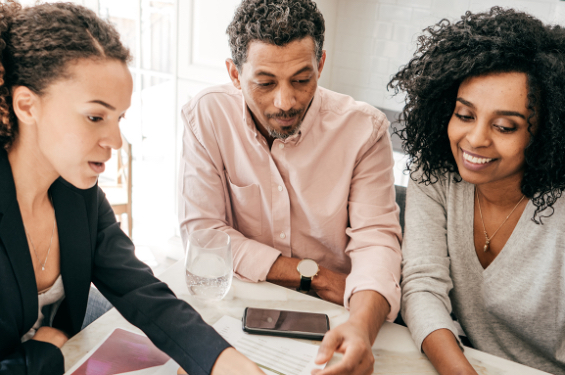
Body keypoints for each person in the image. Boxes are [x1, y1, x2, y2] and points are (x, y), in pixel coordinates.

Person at [0, 2, 266, 374]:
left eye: (119, 117)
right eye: (95, 117)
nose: (115, 139)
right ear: (27, 106)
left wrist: (224, 361)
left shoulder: (79, 197)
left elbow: (140, 289)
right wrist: (41, 358)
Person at [178, 1, 402, 374]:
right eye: (264, 83)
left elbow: (377, 241)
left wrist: (361, 327)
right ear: (234, 74)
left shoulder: (365, 131)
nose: (286, 102)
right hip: (243, 308)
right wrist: (312, 275)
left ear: (321, 65)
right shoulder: (206, 115)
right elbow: (202, 234)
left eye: (302, 79)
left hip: (340, 311)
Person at [388, 6, 565, 375]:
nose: (475, 139)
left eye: (504, 126)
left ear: (545, 134)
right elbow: (421, 286)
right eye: (465, 115)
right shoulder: (435, 173)